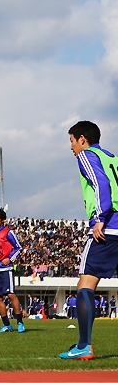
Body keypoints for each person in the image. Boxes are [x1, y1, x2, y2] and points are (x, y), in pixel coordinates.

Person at [60, 121, 118, 360]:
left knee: (84, 286)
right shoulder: (112, 157)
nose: (71, 147)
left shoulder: (87, 155)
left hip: (109, 229)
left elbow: (100, 184)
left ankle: (84, 345)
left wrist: (99, 218)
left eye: (71, 141)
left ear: (82, 139)